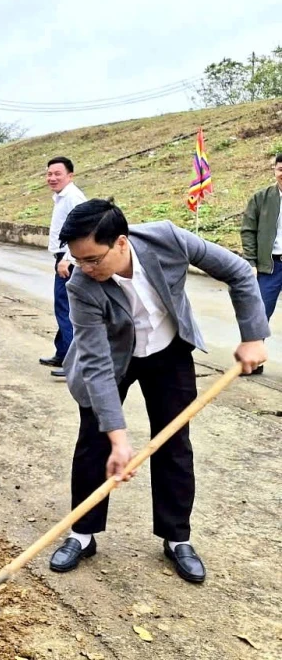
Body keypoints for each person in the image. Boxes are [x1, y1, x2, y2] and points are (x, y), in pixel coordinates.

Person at [48, 199, 268, 583]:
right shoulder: (82, 284)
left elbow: (239, 272)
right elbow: (97, 364)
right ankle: (82, 534)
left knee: (174, 443)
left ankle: (177, 538)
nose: (84, 268)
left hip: (168, 351)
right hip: (114, 359)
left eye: (92, 259)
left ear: (120, 242)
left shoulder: (167, 239)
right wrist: (118, 438)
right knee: (95, 443)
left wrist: (253, 337)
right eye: (78, 260)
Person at [39, 156, 86, 378]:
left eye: (57, 174)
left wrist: (68, 258)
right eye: (49, 174)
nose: (52, 178)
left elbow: (81, 229)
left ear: (70, 175)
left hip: (68, 259)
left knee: (66, 308)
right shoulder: (60, 197)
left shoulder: (73, 198)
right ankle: (62, 352)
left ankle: (72, 363)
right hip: (62, 256)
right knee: (62, 306)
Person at [240, 152, 282, 374]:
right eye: (280, 169)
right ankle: (254, 361)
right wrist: (251, 261)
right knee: (259, 313)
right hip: (270, 266)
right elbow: (248, 231)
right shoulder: (261, 198)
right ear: (275, 170)